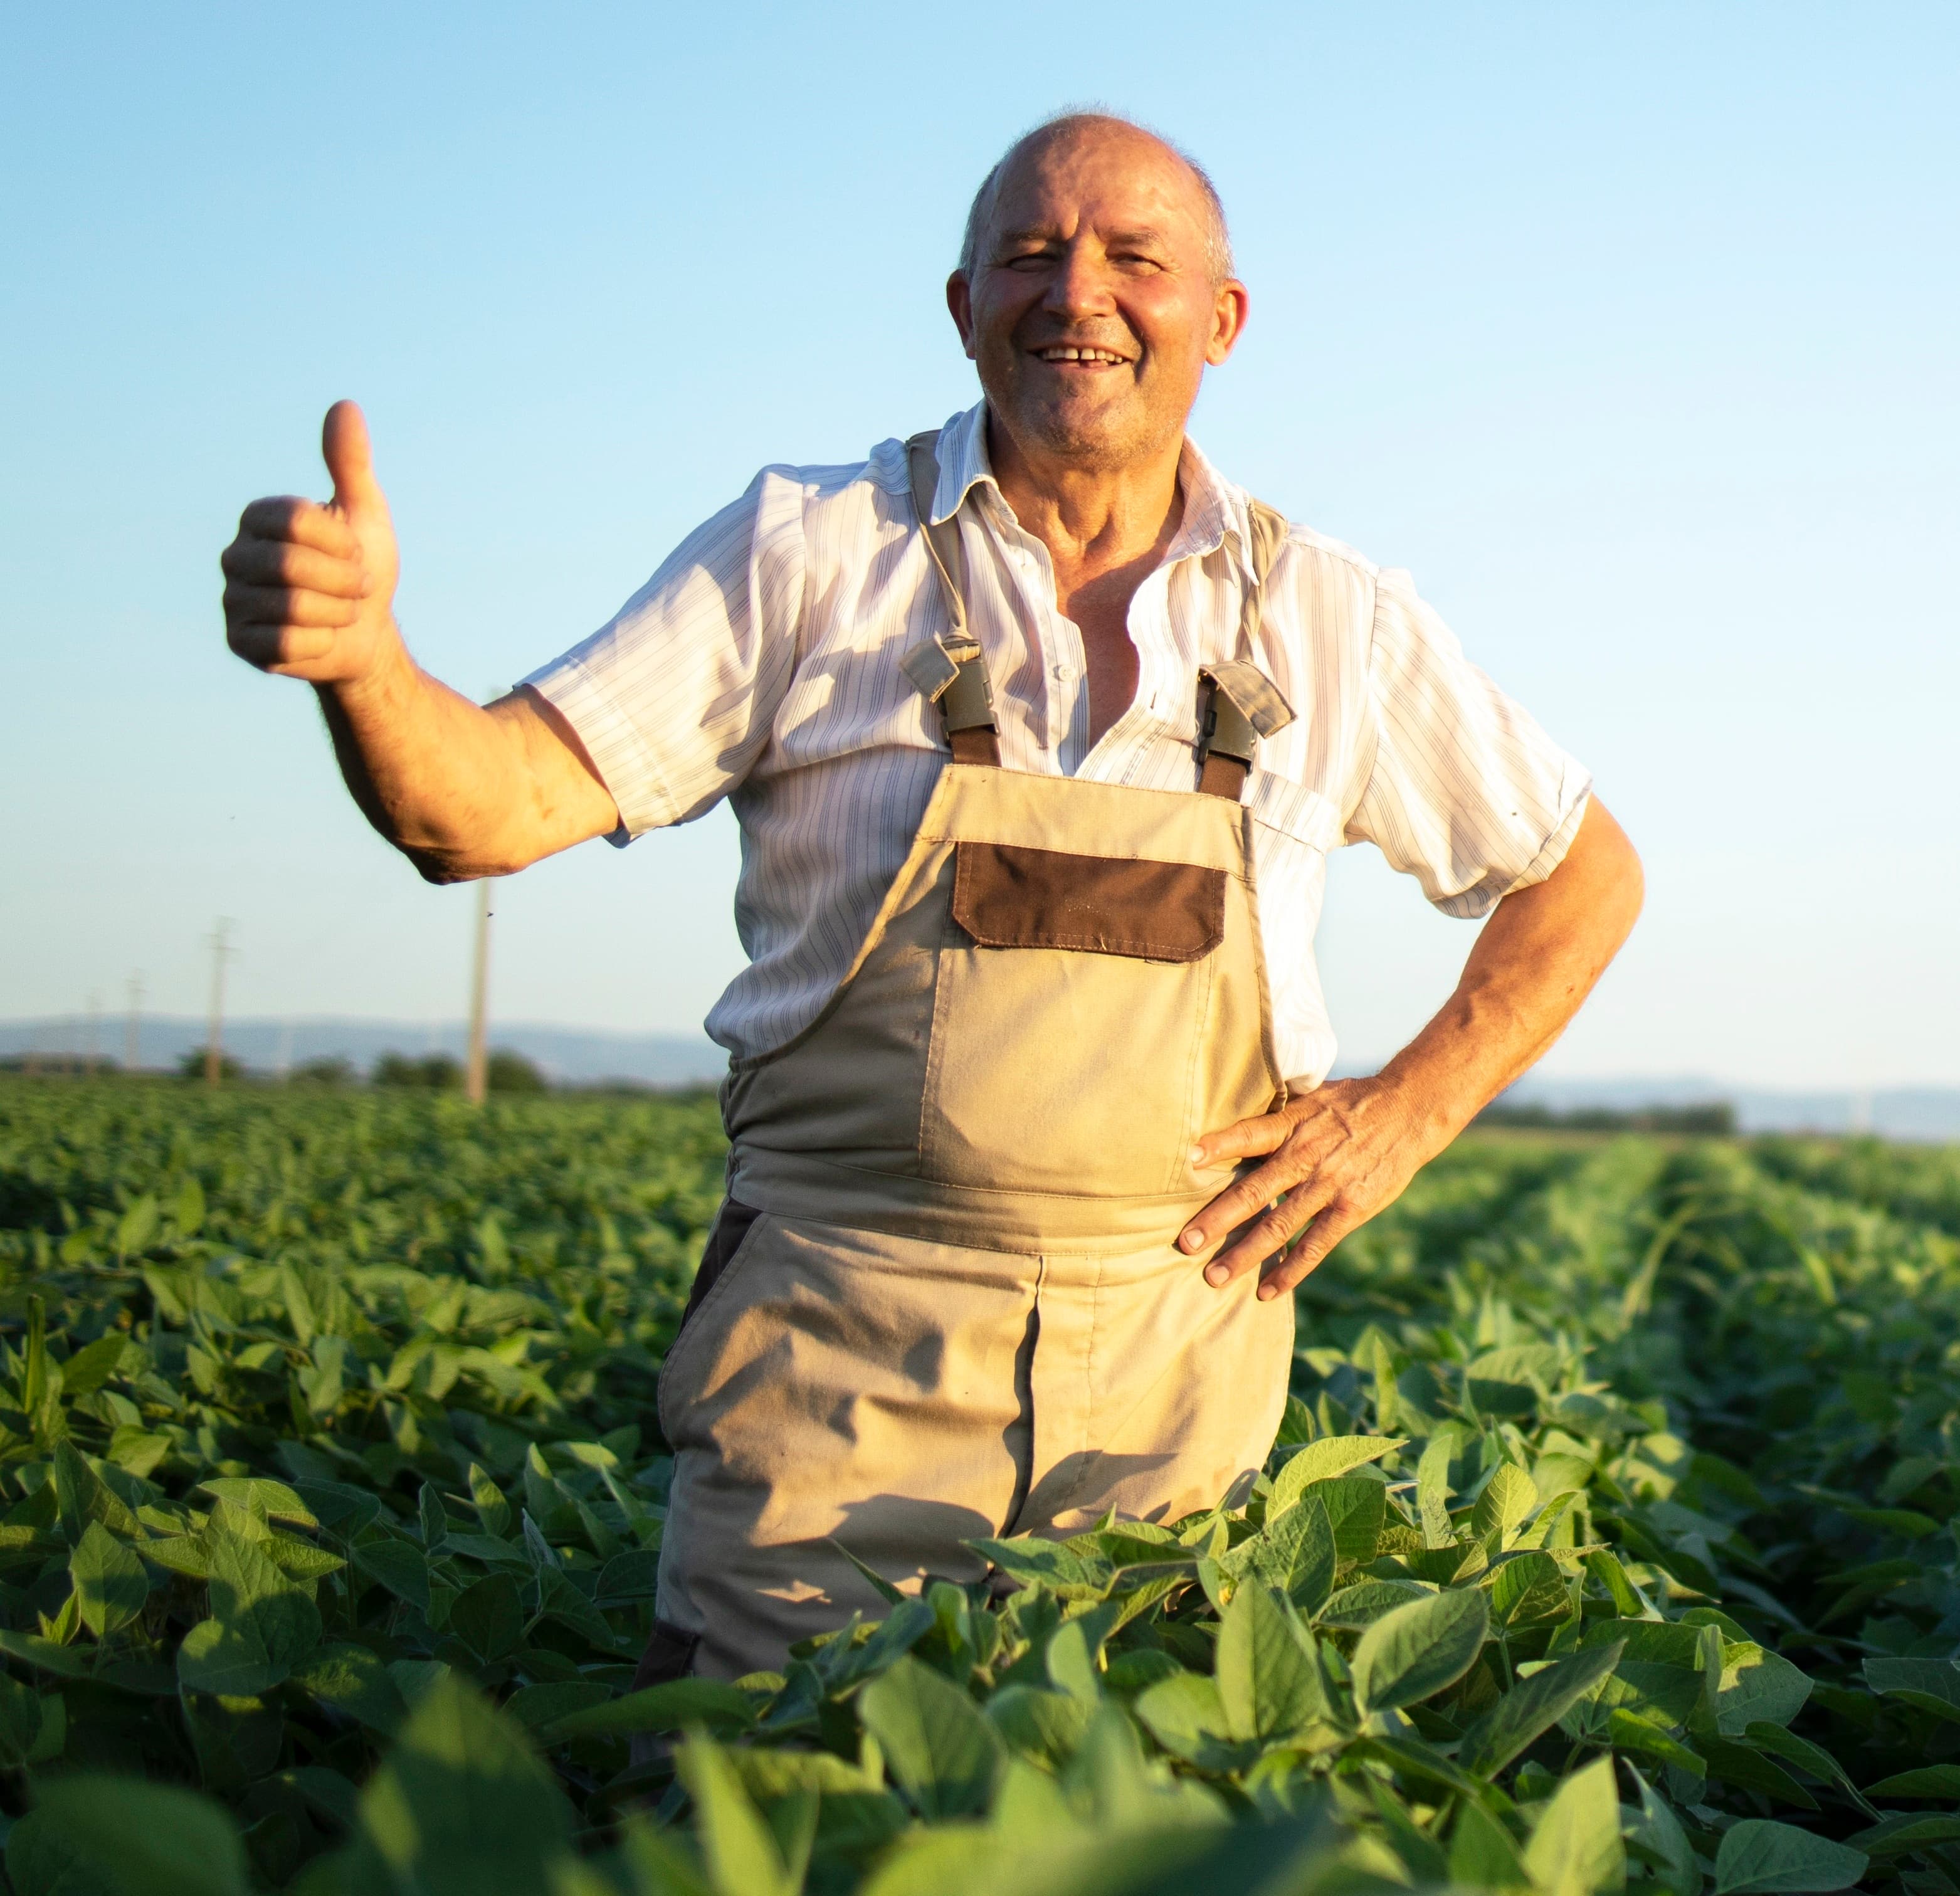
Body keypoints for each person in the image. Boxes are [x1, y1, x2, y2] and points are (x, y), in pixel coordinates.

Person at [219, 112, 1644, 1682]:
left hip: (1177, 1417)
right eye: (1028, 256)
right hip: (831, 1400)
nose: (1077, 294)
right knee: (755, 1821)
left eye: (1135, 260)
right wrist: (363, 668)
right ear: (963, 308)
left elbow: (1581, 874)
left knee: (1134, 1838)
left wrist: (1405, 1117)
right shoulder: (812, 554)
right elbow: (476, 809)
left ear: (1221, 321)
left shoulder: (1326, 616)